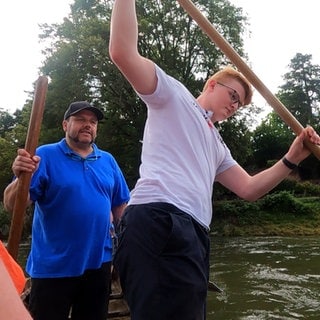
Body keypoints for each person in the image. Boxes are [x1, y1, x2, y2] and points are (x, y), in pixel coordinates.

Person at [108, 1, 320, 320]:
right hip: (158, 218)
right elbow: (123, 52)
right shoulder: (173, 95)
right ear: (211, 84)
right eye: (233, 95)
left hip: (194, 232)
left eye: (241, 104)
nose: (236, 105)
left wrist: (292, 158)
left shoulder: (217, 144)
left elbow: (249, 189)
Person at [3, 101, 130, 320]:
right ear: (65, 125)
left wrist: (125, 249)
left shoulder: (107, 160)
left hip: (99, 264)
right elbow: (12, 206)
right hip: (54, 267)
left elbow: (120, 206)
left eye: (92, 121)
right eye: (80, 119)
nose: (87, 125)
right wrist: (22, 176)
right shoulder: (44, 156)